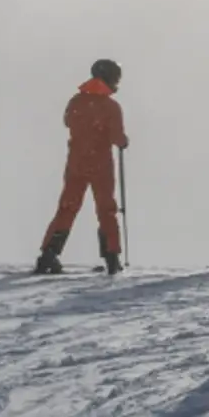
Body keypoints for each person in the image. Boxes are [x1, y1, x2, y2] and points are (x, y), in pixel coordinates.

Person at [37, 60, 127, 275]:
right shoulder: (110, 107)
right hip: (101, 163)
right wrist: (123, 141)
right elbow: (117, 137)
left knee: (67, 207)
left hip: (76, 161)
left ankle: (49, 254)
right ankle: (111, 257)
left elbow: (68, 122)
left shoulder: (76, 101)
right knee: (106, 209)